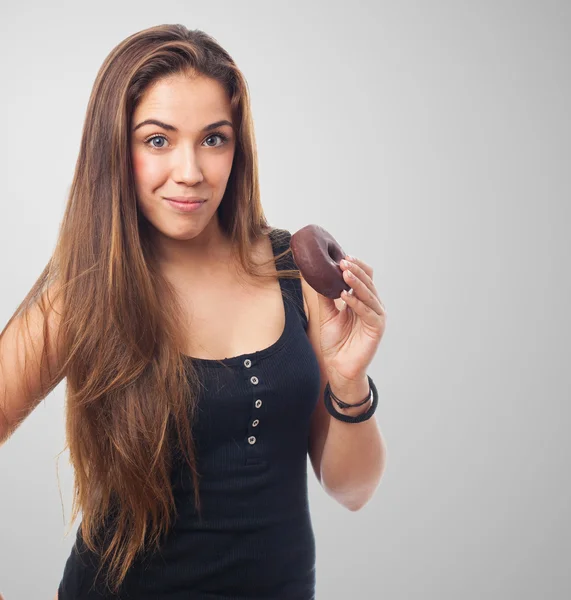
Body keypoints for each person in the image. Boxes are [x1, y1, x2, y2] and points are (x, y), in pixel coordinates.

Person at [0, 24, 387, 600]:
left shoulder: (292, 271)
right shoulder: (82, 287)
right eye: (157, 140)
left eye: (214, 139)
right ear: (116, 146)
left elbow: (352, 492)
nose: (191, 172)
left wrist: (350, 380)